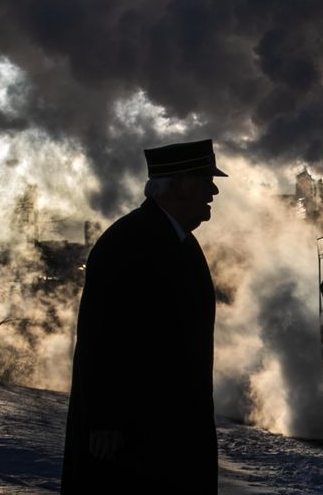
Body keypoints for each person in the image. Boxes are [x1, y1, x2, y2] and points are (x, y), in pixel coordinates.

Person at [61, 139, 226, 494]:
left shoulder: (176, 241)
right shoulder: (128, 242)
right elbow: (101, 336)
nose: (212, 190)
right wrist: (104, 419)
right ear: (177, 185)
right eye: (203, 180)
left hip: (165, 429)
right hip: (135, 435)